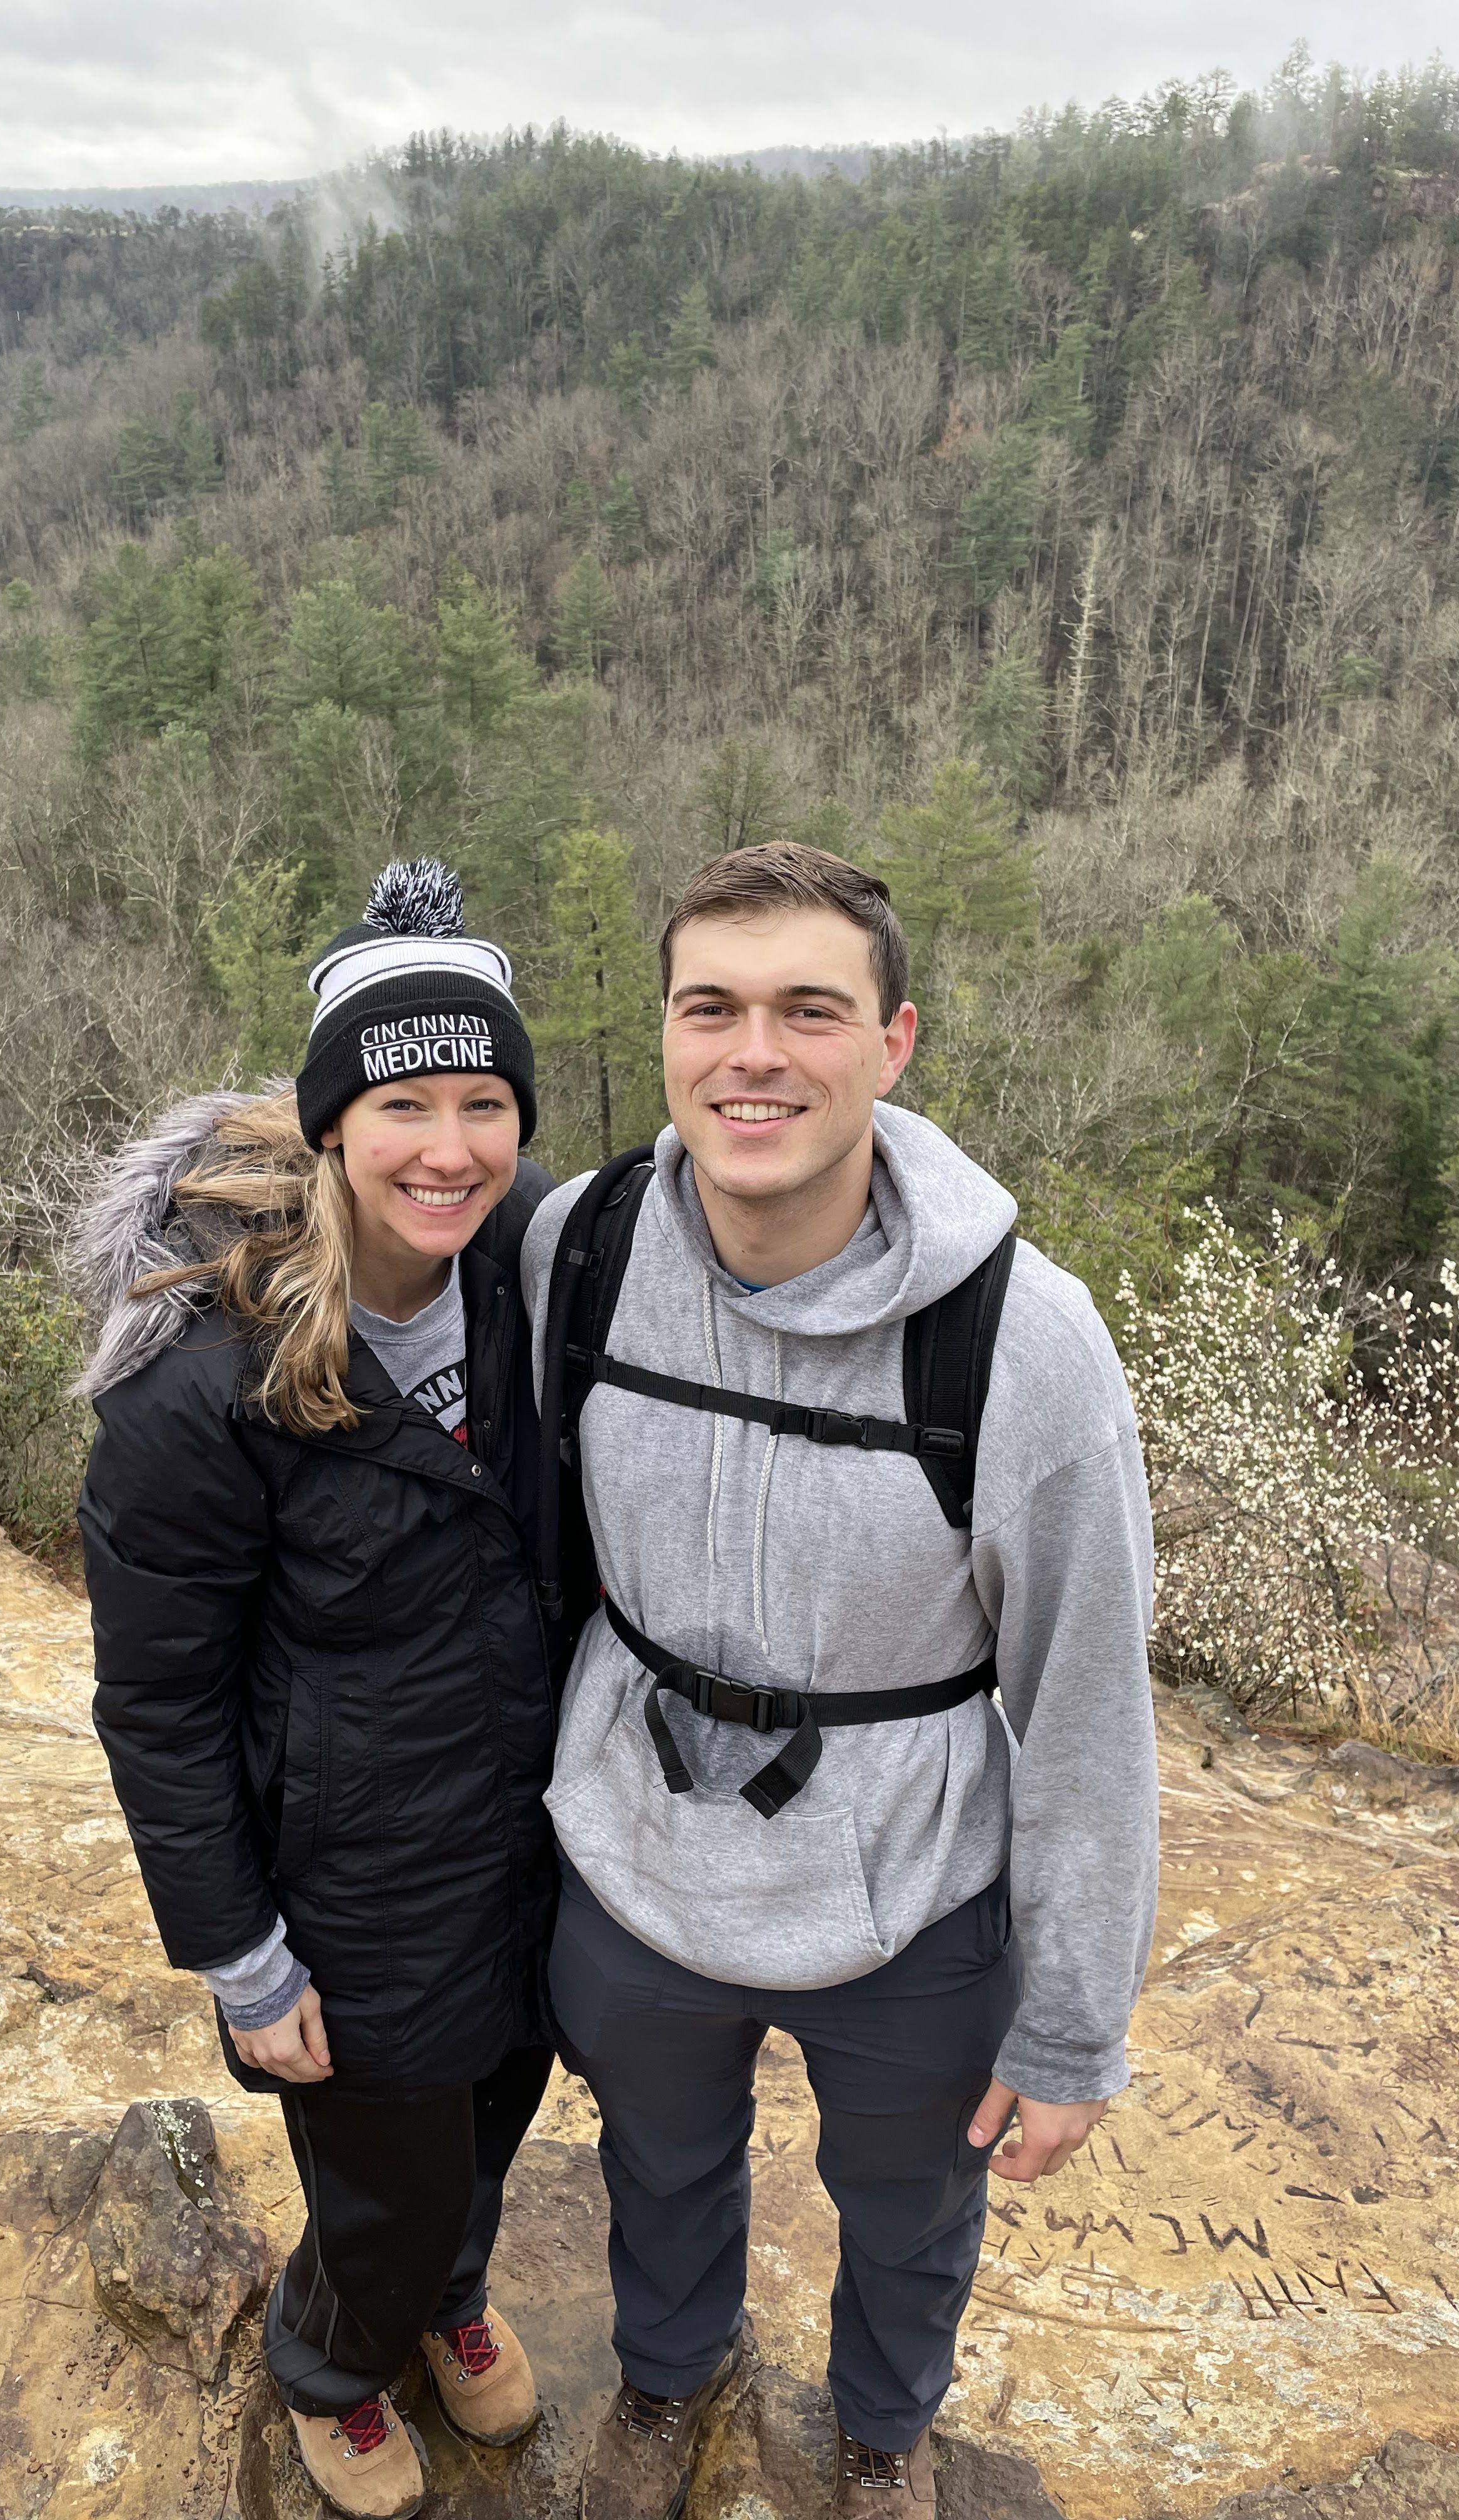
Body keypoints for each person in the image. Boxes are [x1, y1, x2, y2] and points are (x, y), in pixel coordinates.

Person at [520, 842, 1159, 2520]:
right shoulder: (578, 1250)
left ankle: (881, 2431)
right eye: (711, 1009)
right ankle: (673, 2378)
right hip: (637, 1848)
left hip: (913, 1878)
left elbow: (1089, 1705)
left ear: (895, 1041)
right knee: (656, 2162)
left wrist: (1077, 2021)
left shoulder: (1024, 1345)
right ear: (662, 1033)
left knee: (910, 2203)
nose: (755, 1056)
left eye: (811, 1010)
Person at [74, 860, 561, 2520]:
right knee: (387, 2164)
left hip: (525, 1830)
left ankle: (442, 2290)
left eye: (484, 1101)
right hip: (348, 1884)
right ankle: (332, 2356)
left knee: (496, 2107)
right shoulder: (203, 1382)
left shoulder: (525, 1281)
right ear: (330, 1121)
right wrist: (239, 1952)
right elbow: (157, 1703)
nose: (450, 1146)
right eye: (405, 1101)